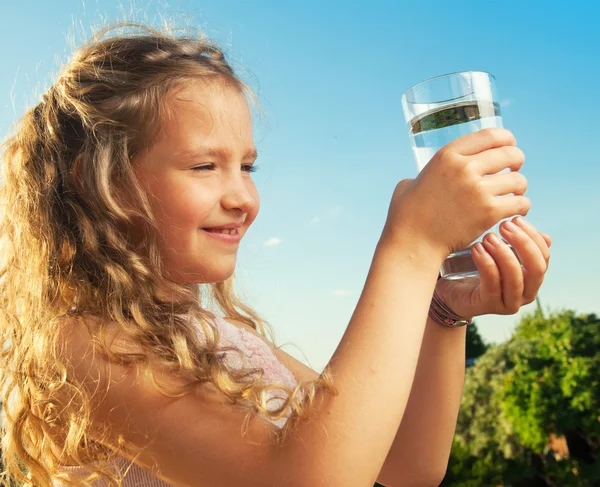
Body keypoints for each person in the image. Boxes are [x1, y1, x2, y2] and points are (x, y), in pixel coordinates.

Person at [0, 21, 551, 487]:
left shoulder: (224, 339)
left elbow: (405, 464)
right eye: (203, 166)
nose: (242, 197)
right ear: (105, 183)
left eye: (248, 166)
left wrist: (444, 307)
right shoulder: (77, 346)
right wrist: (411, 245)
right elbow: (306, 477)